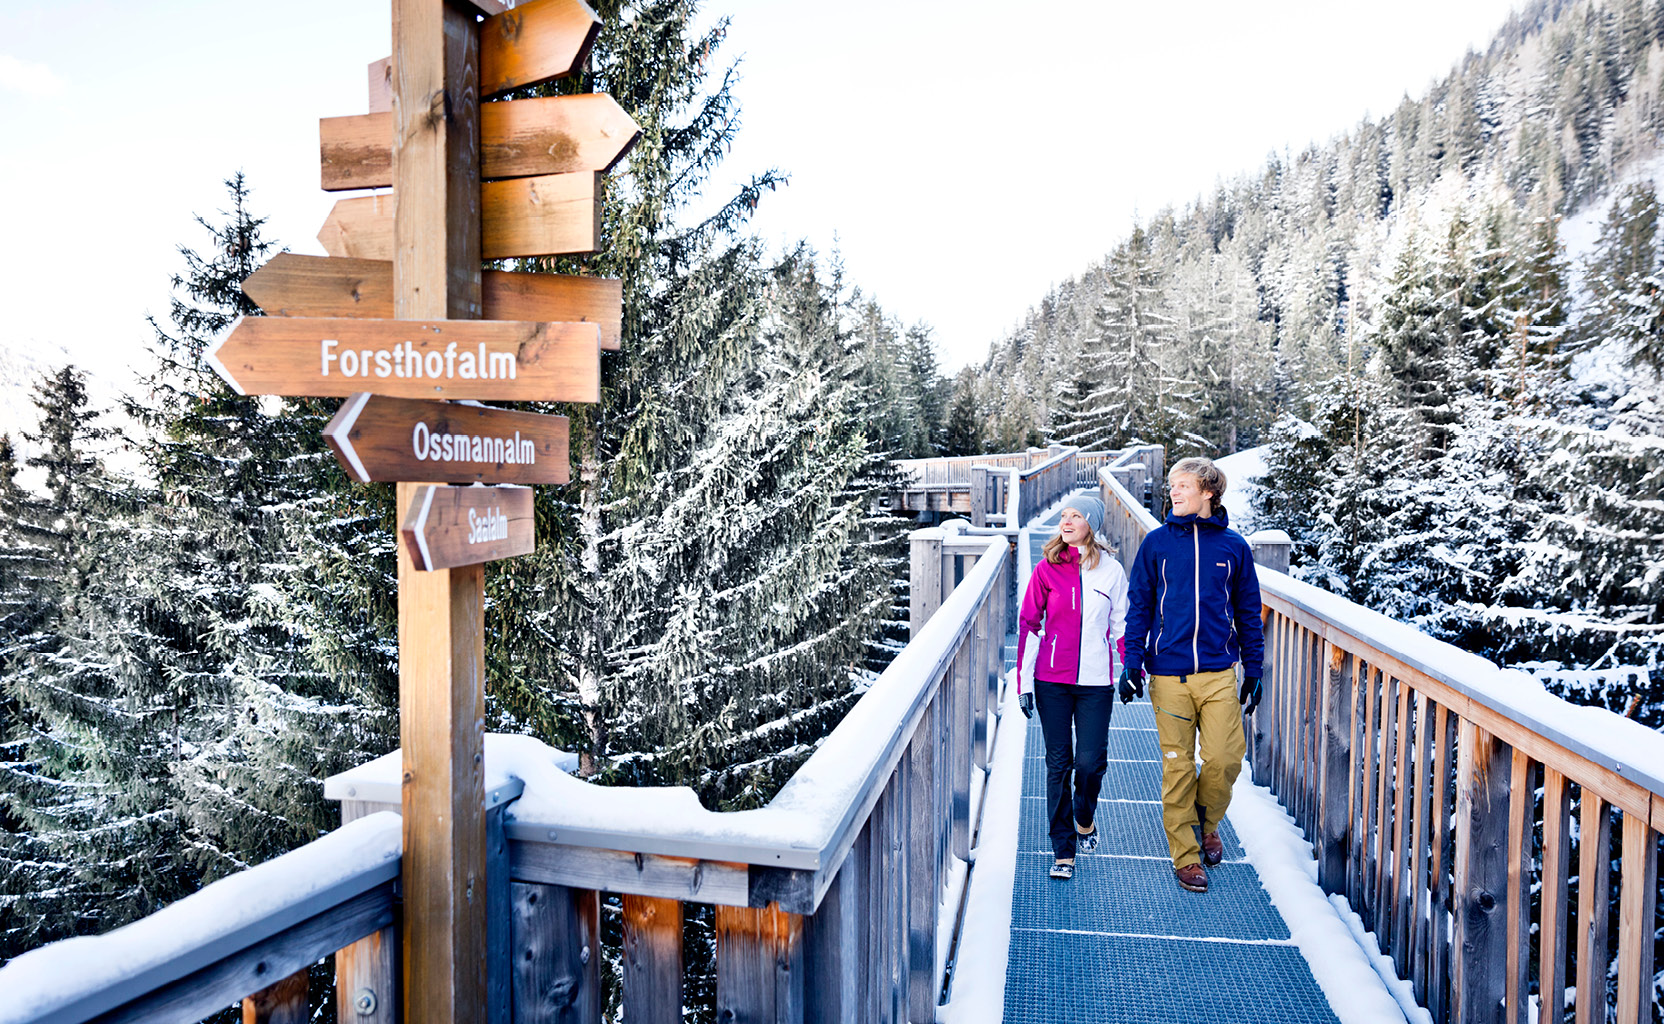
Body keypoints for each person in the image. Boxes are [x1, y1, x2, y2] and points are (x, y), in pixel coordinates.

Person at [1117, 457, 1264, 894]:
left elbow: (1248, 613)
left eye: (1183, 485)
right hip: (1168, 675)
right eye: (1172, 486)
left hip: (1219, 672)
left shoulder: (1234, 548)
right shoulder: (1156, 544)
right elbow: (1139, 605)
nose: (1174, 492)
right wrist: (1132, 662)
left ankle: (1207, 821)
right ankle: (1185, 854)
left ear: (1208, 492)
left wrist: (1253, 669)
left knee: (1223, 759)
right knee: (1178, 766)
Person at [1015, 494, 1130, 881]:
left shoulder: (1112, 571)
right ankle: (1063, 849)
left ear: (1091, 525)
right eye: (1063, 515)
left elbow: (1121, 627)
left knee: (1091, 763)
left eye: (1075, 515)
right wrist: (1024, 681)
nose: (1066, 522)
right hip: (1052, 681)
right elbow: (1029, 625)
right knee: (1058, 764)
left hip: (1096, 681)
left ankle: (1084, 818)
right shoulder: (1047, 570)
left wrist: (1131, 667)